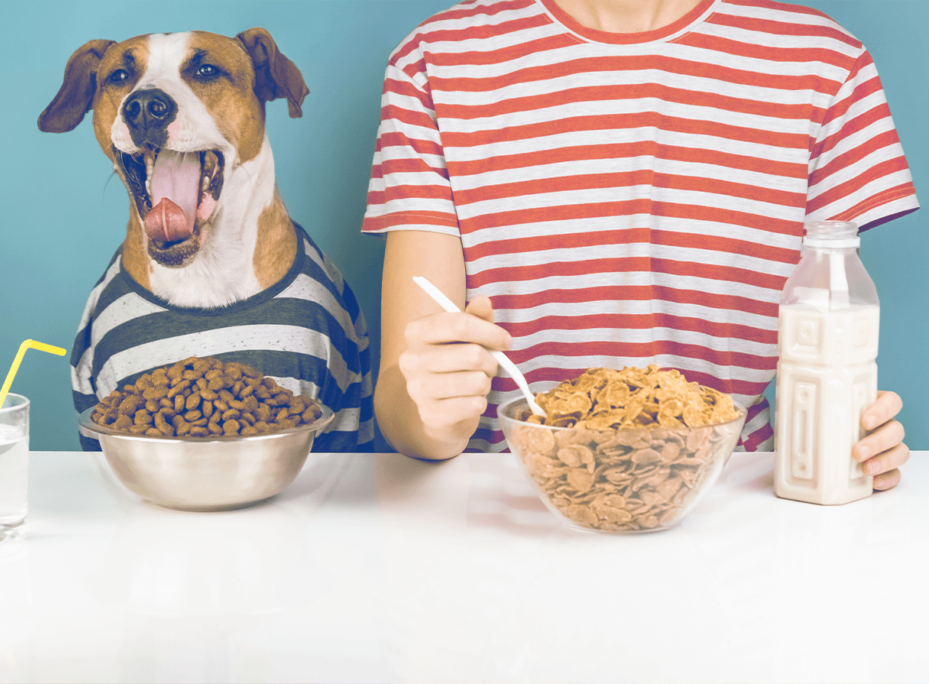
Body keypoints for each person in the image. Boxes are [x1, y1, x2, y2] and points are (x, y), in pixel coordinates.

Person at [361, 0, 917, 488]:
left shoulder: (828, 66)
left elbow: (826, 347)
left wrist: (847, 444)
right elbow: (399, 397)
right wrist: (434, 418)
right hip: (504, 499)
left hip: (736, 502)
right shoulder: (434, 62)